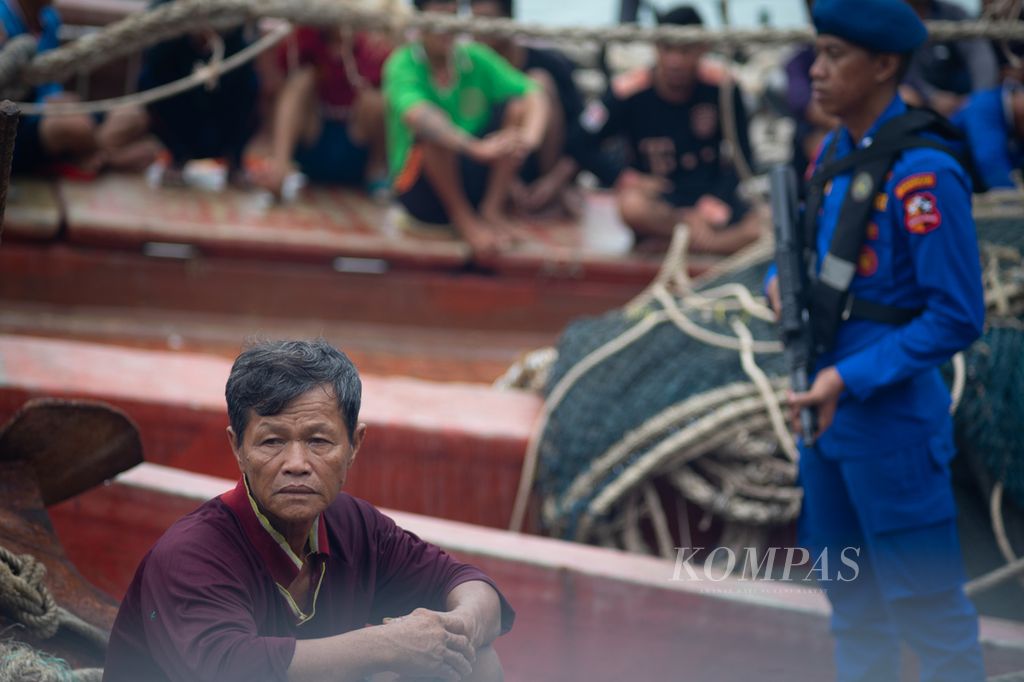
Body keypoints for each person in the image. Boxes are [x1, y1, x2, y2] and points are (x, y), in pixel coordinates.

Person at [766, 1, 987, 680]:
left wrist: (848, 379)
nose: (817, 71)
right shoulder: (834, 155)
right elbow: (807, 252)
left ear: (885, 64)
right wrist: (780, 281)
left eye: (834, 56)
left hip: (890, 432)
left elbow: (956, 315)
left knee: (932, 622)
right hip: (825, 431)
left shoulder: (925, 174)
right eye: (817, 53)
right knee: (853, 611)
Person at [104, 339, 513, 681]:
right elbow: (232, 668)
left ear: (355, 445)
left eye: (319, 441)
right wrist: (389, 645)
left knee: (474, 663)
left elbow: (467, 584)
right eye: (271, 442)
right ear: (237, 448)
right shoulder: (191, 554)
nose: (296, 463)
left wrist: (455, 632)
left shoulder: (355, 526)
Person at [574, 5, 764, 254]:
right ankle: (703, 240)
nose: (675, 61)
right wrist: (626, 177)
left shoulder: (724, 89)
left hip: (710, 194)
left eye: (685, 51)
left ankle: (681, 243)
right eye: (668, 49)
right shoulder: (629, 91)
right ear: (656, 48)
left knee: (763, 224)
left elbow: (743, 156)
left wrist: (714, 202)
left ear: (703, 48)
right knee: (632, 207)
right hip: (661, 198)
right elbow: (579, 140)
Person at [382, 0, 549, 256]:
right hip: (420, 188)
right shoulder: (402, 63)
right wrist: (476, 148)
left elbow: (533, 92)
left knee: (518, 108)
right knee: (434, 131)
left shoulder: (474, 58)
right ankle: (465, 221)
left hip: (470, 173)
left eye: (452, 15)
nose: (447, 26)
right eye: (439, 17)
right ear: (421, 20)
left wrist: (527, 141)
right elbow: (418, 115)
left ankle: (491, 210)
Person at [3, 0, 154, 176]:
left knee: (133, 115)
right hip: (22, 124)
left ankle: (94, 156)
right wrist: (47, 105)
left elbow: (51, 81)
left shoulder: (49, 19)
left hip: (57, 110)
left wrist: (58, 100)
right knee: (72, 126)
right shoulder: (3, 18)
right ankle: (108, 157)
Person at [468, 0, 587, 217]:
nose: (480, 31)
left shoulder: (548, 65)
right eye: (475, 23)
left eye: (487, 22)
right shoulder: (469, 70)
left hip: (540, 165)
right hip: (494, 167)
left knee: (537, 86)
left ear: (508, 21)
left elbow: (585, 134)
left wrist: (554, 182)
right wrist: (509, 180)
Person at [256, 26, 391, 197]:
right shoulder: (306, 38)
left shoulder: (373, 43)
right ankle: (280, 167)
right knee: (300, 81)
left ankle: (376, 170)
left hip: (356, 143)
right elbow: (275, 84)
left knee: (375, 100)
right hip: (315, 138)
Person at [139, 0, 260, 187]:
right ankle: (177, 157)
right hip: (179, 102)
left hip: (220, 108)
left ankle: (235, 161)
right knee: (150, 80)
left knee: (252, 82)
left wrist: (222, 29)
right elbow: (151, 55)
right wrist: (186, 28)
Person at [902, 0, 998, 118]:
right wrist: (932, 96)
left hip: (961, 101)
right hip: (919, 98)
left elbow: (980, 56)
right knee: (905, 96)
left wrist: (978, 98)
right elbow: (903, 71)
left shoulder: (952, 13)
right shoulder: (892, 17)